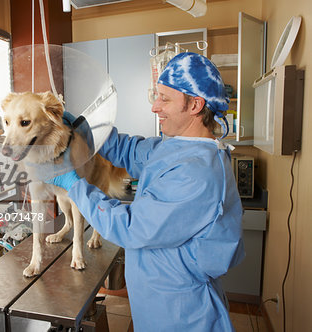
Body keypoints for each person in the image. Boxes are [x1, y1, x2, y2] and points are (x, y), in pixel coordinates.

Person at [48, 52, 245, 332]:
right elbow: (129, 151)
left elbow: (131, 226)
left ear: (195, 105)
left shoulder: (197, 173)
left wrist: (75, 186)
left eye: (164, 98)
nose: (155, 107)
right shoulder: (177, 147)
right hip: (156, 304)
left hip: (181, 313)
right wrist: (83, 128)